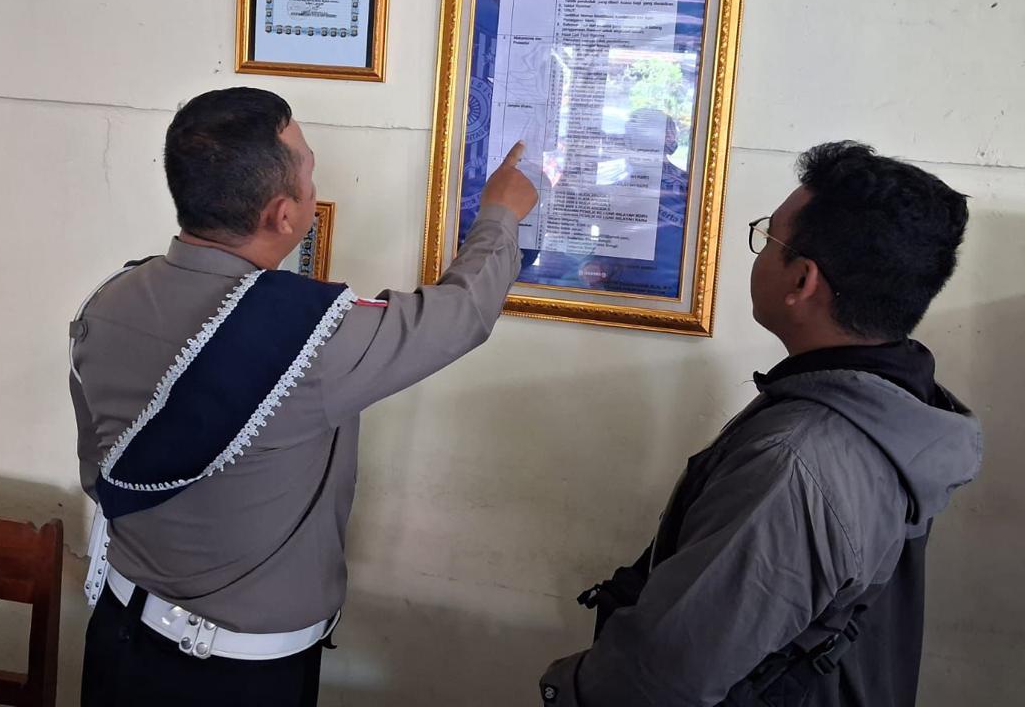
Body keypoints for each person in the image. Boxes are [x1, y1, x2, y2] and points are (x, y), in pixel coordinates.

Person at [69, 87, 537, 706]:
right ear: (284, 216)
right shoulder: (311, 338)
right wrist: (500, 214)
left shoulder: (109, 298)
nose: (318, 188)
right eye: (311, 173)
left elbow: (95, 469)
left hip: (117, 636)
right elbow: (461, 315)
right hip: (233, 682)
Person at [539, 141, 982, 707]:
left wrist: (564, 686)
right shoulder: (897, 403)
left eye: (770, 239)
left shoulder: (793, 465)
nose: (760, 252)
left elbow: (660, 680)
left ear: (802, 281)